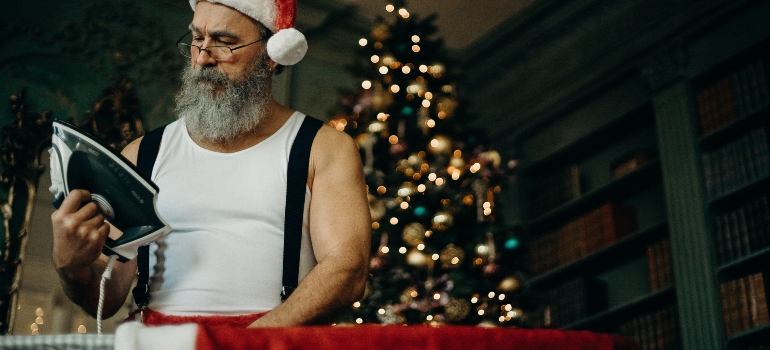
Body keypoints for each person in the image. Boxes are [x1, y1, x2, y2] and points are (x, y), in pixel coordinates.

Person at [51, 0, 371, 327]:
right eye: (196, 38)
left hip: (272, 345)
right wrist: (71, 267)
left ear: (273, 54)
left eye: (225, 42)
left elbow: (346, 270)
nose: (203, 57)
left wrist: (244, 344)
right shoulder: (142, 154)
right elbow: (105, 300)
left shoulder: (323, 148)